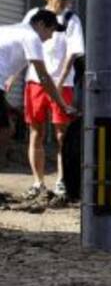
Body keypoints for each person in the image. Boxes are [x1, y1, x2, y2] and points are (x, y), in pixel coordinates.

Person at [19, 0, 84, 202]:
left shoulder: (71, 20)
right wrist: (13, 76)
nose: (65, 2)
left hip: (62, 84)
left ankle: (62, 181)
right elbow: (23, 45)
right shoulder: (33, 15)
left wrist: (60, 80)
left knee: (62, 135)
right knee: (36, 132)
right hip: (35, 82)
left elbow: (73, 53)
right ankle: (38, 183)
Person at [0, 11, 76, 177]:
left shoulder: (12, 30)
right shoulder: (31, 37)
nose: (50, 37)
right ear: (40, 24)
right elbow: (44, 77)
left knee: (5, 128)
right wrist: (63, 105)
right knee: (4, 131)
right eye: (51, 30)